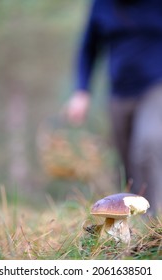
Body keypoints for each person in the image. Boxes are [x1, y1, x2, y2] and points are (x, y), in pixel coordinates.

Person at [65, 0, 162, 215]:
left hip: (156, 86)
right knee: (126, 164)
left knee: (147, 146)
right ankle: (132, 226)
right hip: (118, 93)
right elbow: (88, 48)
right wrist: (81, 90)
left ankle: (154, 226)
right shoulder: (102, 5)